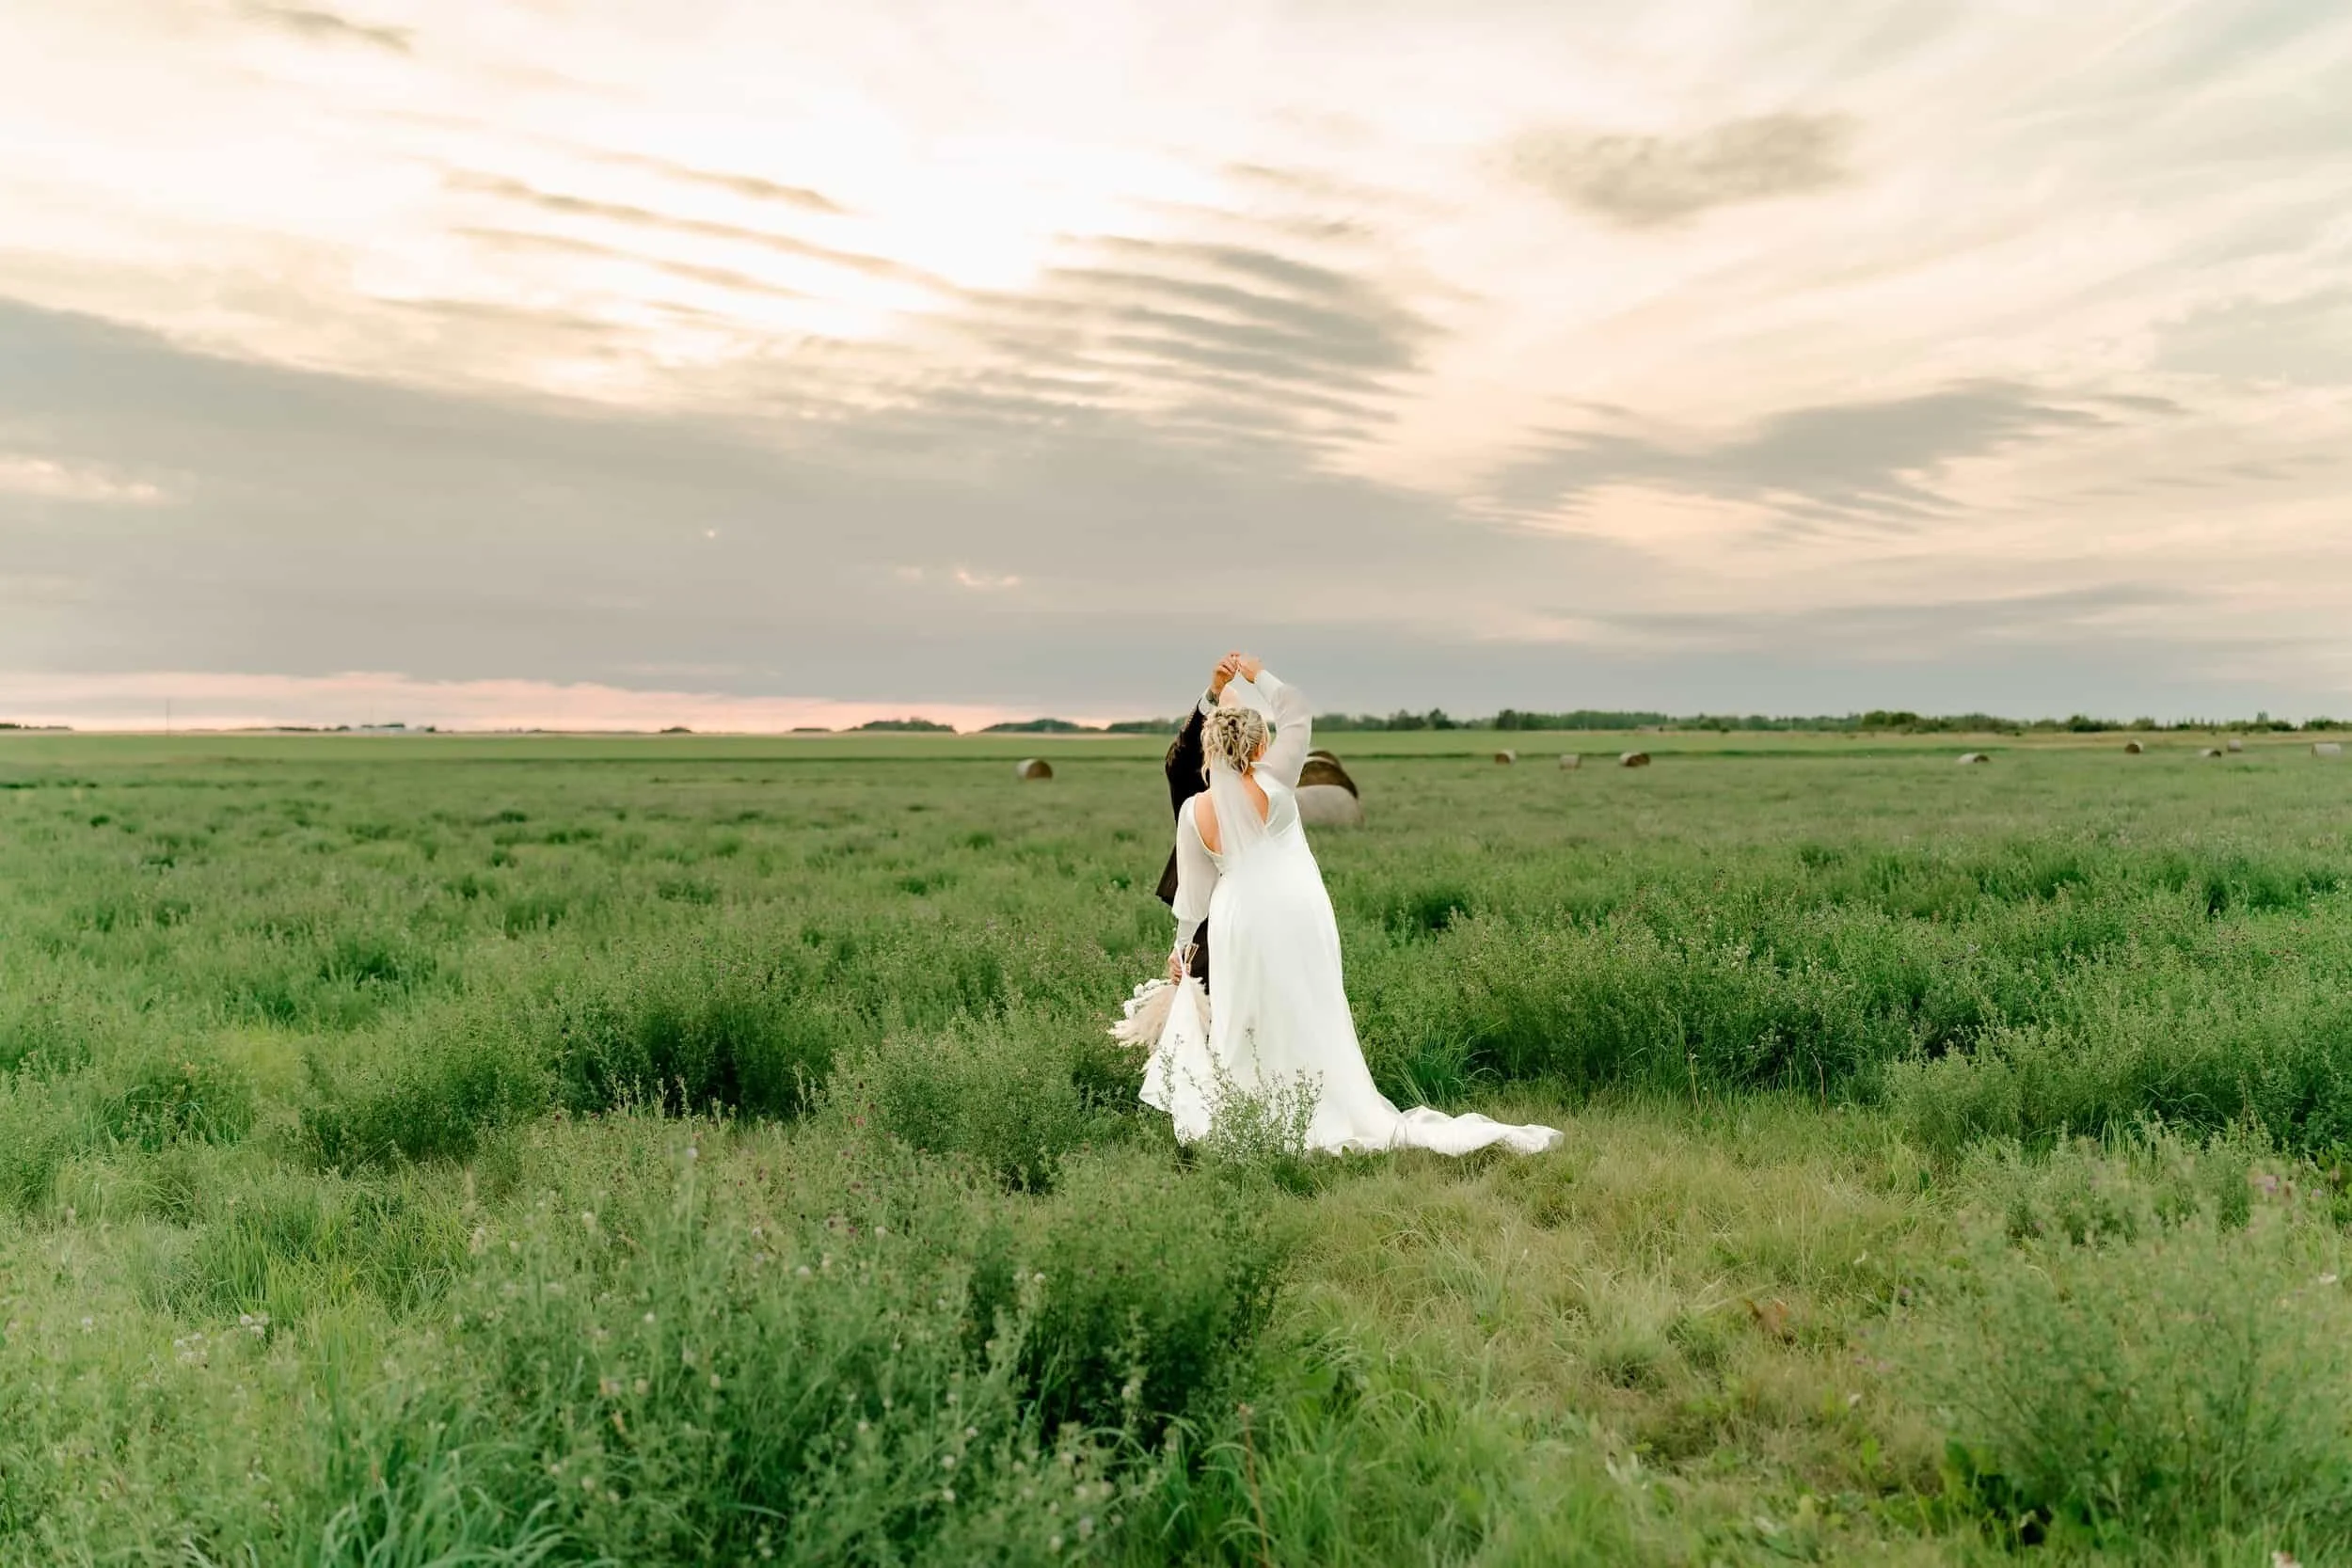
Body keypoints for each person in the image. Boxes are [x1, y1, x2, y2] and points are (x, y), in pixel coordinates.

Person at [1140, 658, 1562, 1158]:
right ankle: (1322, 1101)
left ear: (1213, 748)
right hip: (1299, 912)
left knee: (1246, 1014)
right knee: (1310, 1008)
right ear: (1260, 745)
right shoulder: (1276, 783)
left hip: (1236, 920)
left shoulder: (1195, 811)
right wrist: (1257, 675)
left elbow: (1192, 896)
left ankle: (1256, 1112)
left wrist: (1181, 951)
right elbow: (1296, 710)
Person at [1152, 653, 1244, 989]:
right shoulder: (1197, 790)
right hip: (1206, 913)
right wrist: (1213, 693)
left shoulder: (1269, 790)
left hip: (1254, 914)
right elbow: (1179, 761)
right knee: (1202, 993)